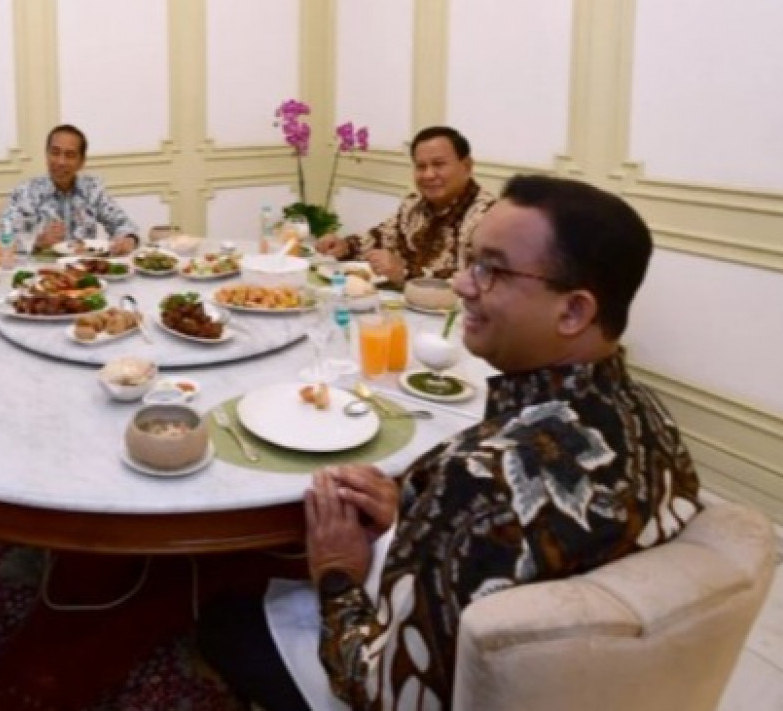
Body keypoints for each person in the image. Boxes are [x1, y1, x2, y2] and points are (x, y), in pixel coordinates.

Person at [200, 175, 702, 709]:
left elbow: (383, 692)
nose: (461, 285)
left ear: (574, 311)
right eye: (468, 262)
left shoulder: (476, 478)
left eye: (491, 270)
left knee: (224, 616)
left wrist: (337, 574)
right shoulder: (652, 418)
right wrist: (420, 522)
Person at [316, 126, 495, 285]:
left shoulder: (490, 218)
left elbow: (478, 281)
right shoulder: (414, 205)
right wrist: (344, 246)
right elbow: (380, 238)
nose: (429, 175)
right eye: (421, 167)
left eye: (439, 164)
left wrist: (404, 272)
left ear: (467, 166)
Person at [1, 124, 140, 256]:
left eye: (70, 155)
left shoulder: (92, 190)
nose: (61, 162)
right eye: (55, 153)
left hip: (85, 271)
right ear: (47, 155)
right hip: (42, 272)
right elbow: (3, 237)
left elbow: (124, 224)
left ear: (81, 162)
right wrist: (38, 241)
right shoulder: (27, 191)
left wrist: (128, 239)